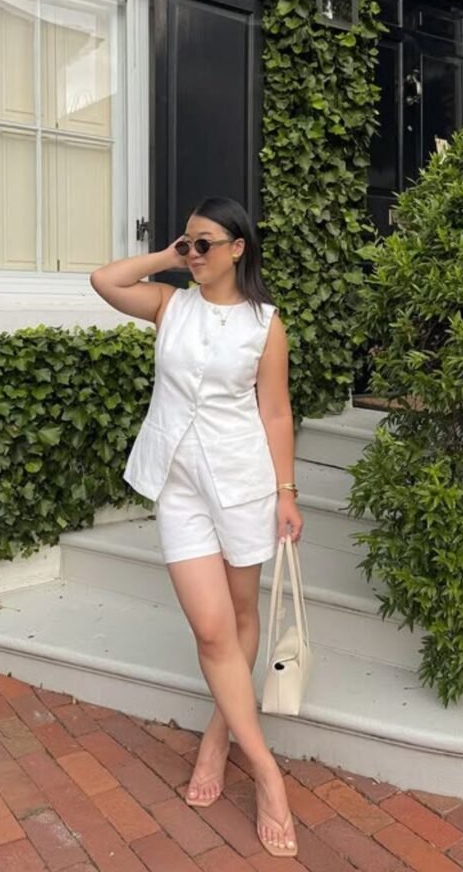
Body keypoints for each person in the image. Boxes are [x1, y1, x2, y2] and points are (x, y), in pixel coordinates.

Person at [90, 196, 303, 857]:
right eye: (188, 242)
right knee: (212, 630)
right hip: (177, 484)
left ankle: (218, 734)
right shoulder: (168, 305)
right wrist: (169, 255)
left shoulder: (265, 324)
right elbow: (104, 280)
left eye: (205, 243)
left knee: (241, 616)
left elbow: (275, 413)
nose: (194, 253)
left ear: (239, 249)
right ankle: (266, 772)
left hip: (241, 486)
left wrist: (286, 492)